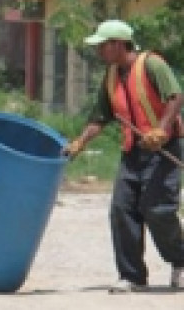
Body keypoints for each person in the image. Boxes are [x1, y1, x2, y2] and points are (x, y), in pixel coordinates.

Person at [63, 19, 184, 293]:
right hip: (133, 152)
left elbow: (175, 97)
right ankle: (132, 276)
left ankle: (180, 260)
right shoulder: (111, 76)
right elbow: (101, 117)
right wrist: (80, 142)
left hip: (164, 149)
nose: (98, 51)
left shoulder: (152, 64)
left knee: (158, 210)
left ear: (118, 44)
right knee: (122, 209)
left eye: (102, 46)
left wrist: (161, 130)